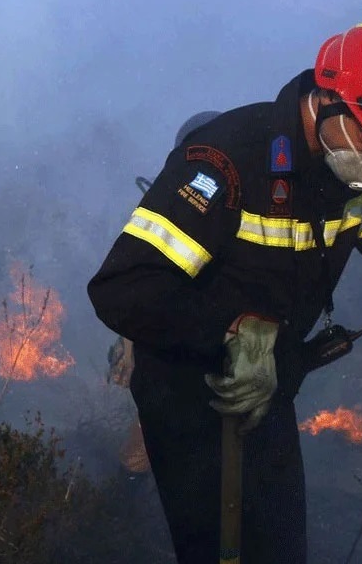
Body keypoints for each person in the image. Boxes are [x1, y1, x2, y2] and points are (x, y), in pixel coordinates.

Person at [88, 12, 362, 563]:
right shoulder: (226, 161)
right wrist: (226, 333)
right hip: (183, 392)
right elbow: (123, 287)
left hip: (272, 386)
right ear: (329, 100)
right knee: (217, 553)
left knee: (278, 552)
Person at [111, 110, 224, 476]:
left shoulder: (239, 212)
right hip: (174, 358)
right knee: (144, 457)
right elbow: (141, 284)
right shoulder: (170, 211)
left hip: (209, 363)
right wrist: (128, 350)